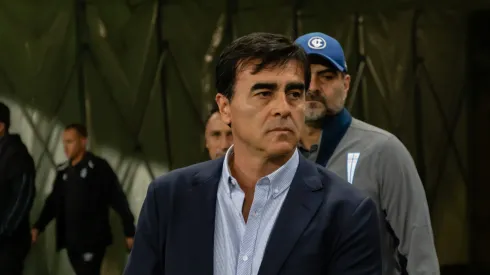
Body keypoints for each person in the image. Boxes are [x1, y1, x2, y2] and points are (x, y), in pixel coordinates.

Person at [124, 32, 382, 275]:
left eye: (294, 94)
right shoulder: (169, 198)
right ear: (225, 108)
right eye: (264, 93)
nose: (283, 108)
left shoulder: (347, 211)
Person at [295, 32, 439, 275]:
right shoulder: (274, 155)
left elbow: (419, 252)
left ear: (346, 84)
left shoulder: (382, 151)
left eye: (326, 77)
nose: (313, 87)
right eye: (304, 76)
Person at [31, 123, 135, 275]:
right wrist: (38, 227)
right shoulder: (63, 172)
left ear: (83, 141)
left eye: (70, 142)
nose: (65, 147)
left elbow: (118, 198)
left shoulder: (98, 168)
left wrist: (129, 230)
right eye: (64, 142)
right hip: (72, 242)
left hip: (92, 241)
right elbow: (53, 202)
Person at [0, 102, 36, 275]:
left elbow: (23, 196)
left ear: (1, 126)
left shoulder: (16, 154)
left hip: (9, 245)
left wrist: (3, 230)